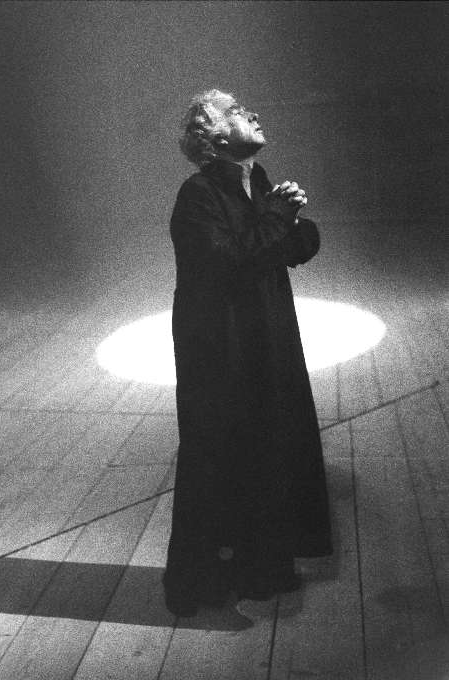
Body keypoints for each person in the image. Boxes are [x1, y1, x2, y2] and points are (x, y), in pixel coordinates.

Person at [163, 89, 332, 617]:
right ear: (214, 138)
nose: (252, 113)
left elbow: (287, 250)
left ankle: (263, 568)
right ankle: (205, 579)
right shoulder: (197, 193)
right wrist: (278, 216)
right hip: (222, 344)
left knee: (268, 441)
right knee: (222, 450)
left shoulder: (258, 182)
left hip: (263, 332)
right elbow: (227, 261)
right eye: (236, 112)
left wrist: (293, 220)